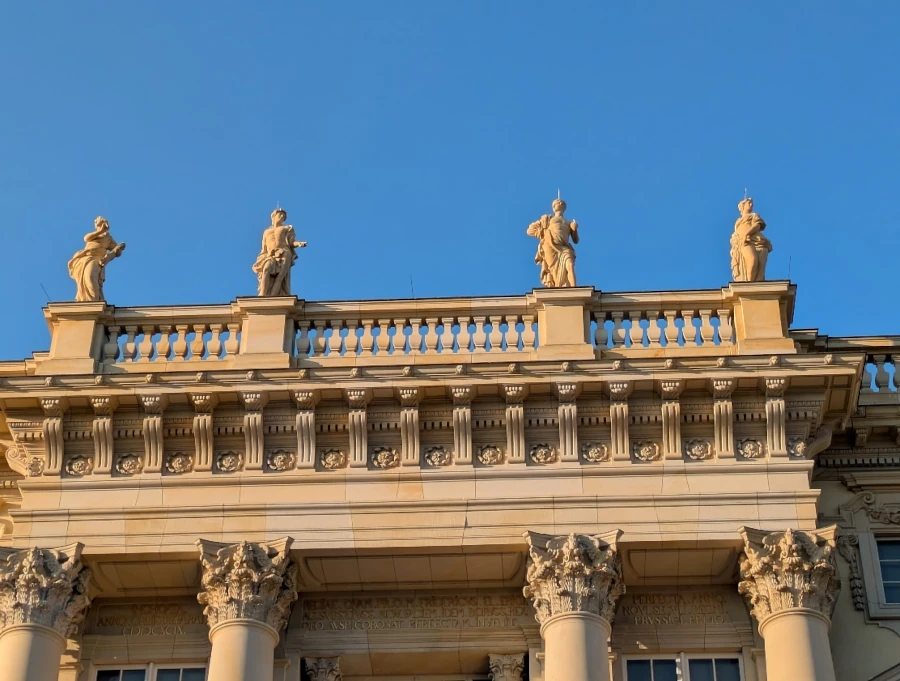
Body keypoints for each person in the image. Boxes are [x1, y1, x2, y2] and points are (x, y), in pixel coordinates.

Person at [67, 217, 126, 302]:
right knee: (83, 280)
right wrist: (101, 231)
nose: (96, 221)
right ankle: (85, 300)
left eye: (99, 220)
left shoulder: (108, 238)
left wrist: (119, 248)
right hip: (85, 258)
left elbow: (116, 252)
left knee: (90, 276)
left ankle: (92, 300)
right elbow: (86, 238)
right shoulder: (95, 234)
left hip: (96, 259)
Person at [252, 208, 307, 296]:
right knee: (266, 269)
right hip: (270, 255)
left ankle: (273, 298)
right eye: (280, 215)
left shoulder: (286, 228)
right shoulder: (266, 232)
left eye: (284, 216)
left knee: (280, 277)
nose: (282, 217)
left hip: (284, 252)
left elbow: (291, 242)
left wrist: (299, 243)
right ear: (273, 216)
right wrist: (262, 257)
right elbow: (264, 248)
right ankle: (263, 295)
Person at [527, 197, 579, 288]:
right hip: (550, 247)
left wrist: (574, 229)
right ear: (553, 207)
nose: (559, 203)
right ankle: (555, 288)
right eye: (556, 203)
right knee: (553, 271)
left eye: (560, 202)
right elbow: (529, 230)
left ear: (564, 207)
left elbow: (576, 240)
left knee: (570, 265)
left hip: (565, 248)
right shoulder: (548, 219)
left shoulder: (569, 223)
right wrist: (542, 231)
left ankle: (573, 288)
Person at [730, 197, 772, 282]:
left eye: (751, 203)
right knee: (752, 259)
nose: (751, 205)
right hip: (743, 242)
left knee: (759, 263)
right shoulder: (738, 221)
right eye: (749, 203)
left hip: (754, 240)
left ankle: (753, 284)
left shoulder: (754, 216)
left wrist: (747, 233)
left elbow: (757, 225)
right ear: (743, 206)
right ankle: (749, 283)